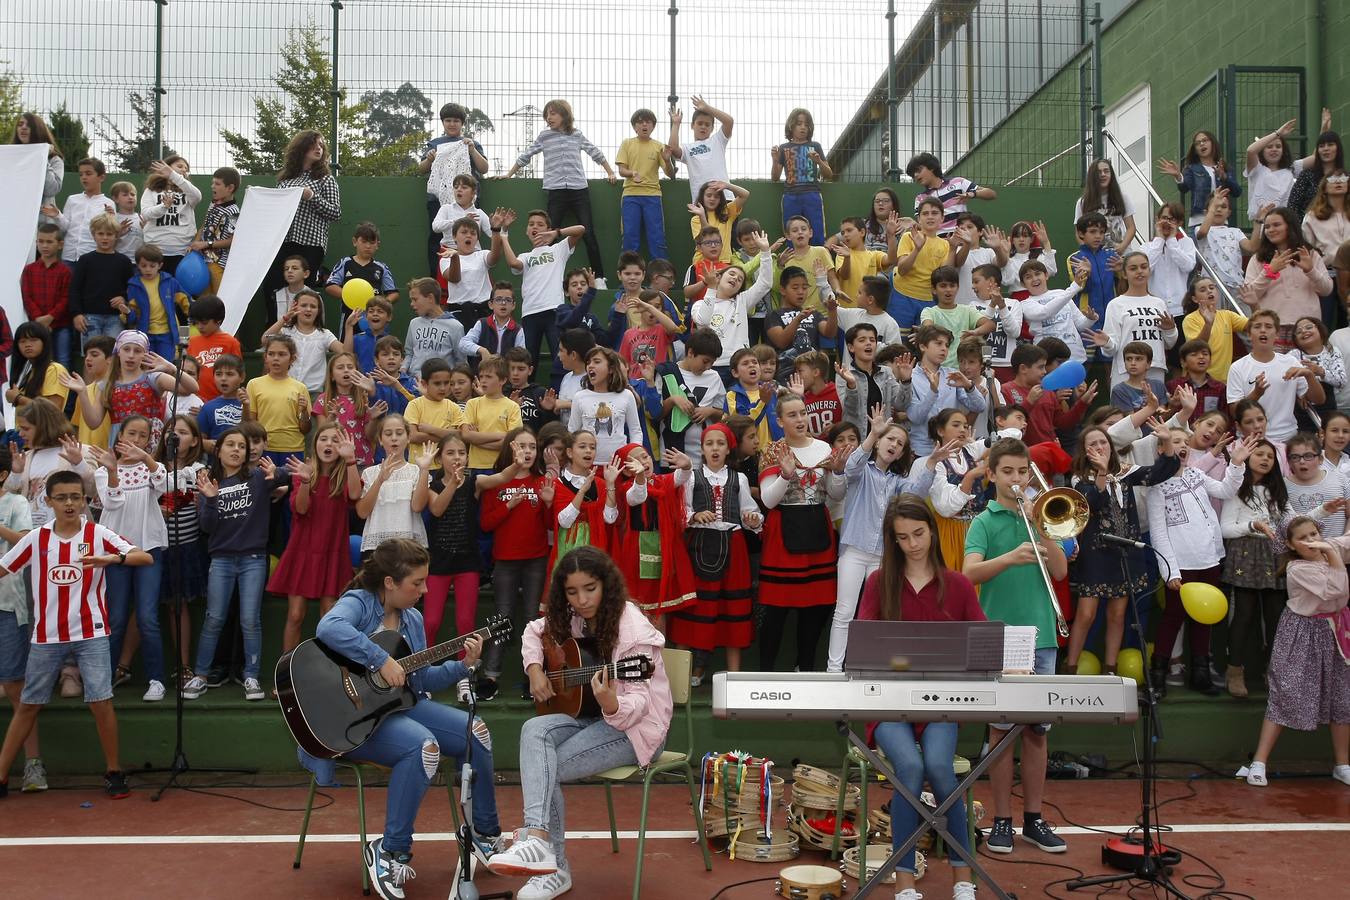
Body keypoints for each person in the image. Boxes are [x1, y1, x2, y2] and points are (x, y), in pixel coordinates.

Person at [315, 538, 504, 900]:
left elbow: (419, 680)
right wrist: (379, 659)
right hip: (354, 717)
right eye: (416, 583)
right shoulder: (359, 602)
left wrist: (463, 665)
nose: (425, 589)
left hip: (400, 707)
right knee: (423, 747)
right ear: (389, 582)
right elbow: (328, 628)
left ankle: (483, 832)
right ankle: (389, 851)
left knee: (475, 732)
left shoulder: (413, 618)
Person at [488, 546, 671, 900]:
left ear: (606, 585)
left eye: (590, 588)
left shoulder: (630, 625)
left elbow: (641, 701)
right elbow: (531, 631)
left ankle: (550, 862)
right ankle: (541, 844)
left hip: (634, 729)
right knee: (533, 729)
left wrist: (611, 701)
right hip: (590, 718)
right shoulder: (573, 616)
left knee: (547, 766)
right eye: (572, 592)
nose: (582, 599)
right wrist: (536, 669)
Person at [857, 495, 984, 900]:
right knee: (909, 768)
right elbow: (863, 645)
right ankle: (905, 883)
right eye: (902, 538)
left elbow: (982, 646)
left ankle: (963, 878)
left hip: (941, 704)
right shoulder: (879, 582)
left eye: (918, 533)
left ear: (932, 530)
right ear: (892, 542)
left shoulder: (959, 585)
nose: (912, 544)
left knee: (941, 770)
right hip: (889, 703)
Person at [0, 470, 151, 800]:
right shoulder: (37, 538)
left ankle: (113, 771)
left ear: (85, 501)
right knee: (27, 705)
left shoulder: (98, 533)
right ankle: (1, 777)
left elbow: (145, 556)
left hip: (91, 633)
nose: (69, 503)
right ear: (48, 501)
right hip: (46, 637)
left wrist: (114, 558)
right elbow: (4, 567)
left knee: (101, 702)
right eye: (62, 497)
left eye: (76, 497)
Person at [963, 438, 1069, 855]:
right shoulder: (983, 521)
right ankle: (1003, 819)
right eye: (1007, 472)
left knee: (1038, 733)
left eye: (1022, 472)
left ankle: (1034, 819)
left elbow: (1060, 570)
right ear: (991, 475)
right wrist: (1008, 558)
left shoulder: (1037, 517)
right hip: (1002, 638)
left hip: (1042, 635)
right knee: (1000, 733)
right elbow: (968, 573)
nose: (1016, 479)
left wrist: (1042, 528)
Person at [826, 408, 950, 672]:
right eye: (890, 439)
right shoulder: (862, 472)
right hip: (855, 551)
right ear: (879, 441)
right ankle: (834, 670)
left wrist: (931, 463)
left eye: (900, 443)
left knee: (879, 614)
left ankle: (870, 666)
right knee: (845, 611)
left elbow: (916, 494)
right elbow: (851, 466)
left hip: (883, 555)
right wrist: (872, 434)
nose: (894, 445)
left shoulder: (898, 482)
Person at [1245, 516, 1350, 790]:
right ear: (1291, 545)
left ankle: (1342, 765)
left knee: (1341, 696)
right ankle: (1259, 762)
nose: (1312, 541)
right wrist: (1331, 552)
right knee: (1286, 692)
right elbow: (1337, 589)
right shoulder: (1297, 568)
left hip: (1334, 632)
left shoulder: (1329, 548)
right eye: (1304, 538)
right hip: (1302, 633)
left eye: (1315, 533)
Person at [181, 430, 285, 701]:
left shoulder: (259, 478)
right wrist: (211, 499)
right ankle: (201, 676)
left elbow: (293, 476)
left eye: (242, 446)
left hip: (253, 560)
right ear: (219, 450)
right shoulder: (208, 483)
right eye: (231, 445)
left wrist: (279, 475)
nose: (237, 450)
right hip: (222, 560)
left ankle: (251, 676)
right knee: (214, 618)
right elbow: (207, 527)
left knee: (250, 620)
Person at [757, 392, 845, 671]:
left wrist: (839, 472)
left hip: (818, 527)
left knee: (816, 606)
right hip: (784, 531)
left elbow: (835, 494)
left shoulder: (824, 449)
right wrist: (785, 475)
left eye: (803, 413)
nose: (800, 419)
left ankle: (805, 665)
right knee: (777, 608)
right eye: (792, 415)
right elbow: (769, 501)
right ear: (780, 420)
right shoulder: (773, 450)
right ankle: (766, 671)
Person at [665, 426, 761, 674]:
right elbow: (680, 511)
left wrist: (752, 519)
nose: (715, 448)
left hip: (734, 546)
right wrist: (696, 515)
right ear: (702, 449)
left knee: (734, 608)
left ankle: (734, 677)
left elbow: (749, 511)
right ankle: (681, 679)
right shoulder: (693, 477)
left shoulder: (739, 478)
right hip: (700, 546)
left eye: (720, 443)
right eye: (710, 443)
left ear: (729, 448)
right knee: (696, 608)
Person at [94, 415, 169, 701]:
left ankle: (156, 680)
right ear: (120, 436)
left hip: (148, 549)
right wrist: (113, 470)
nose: (136, 441)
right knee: (115, 617)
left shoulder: (153, 467)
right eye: (131, 434)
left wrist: (147, 459)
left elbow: (163, 485)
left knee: (148, 617)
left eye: (142, 436)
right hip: (116, 553)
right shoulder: (103, 471)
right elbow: (112, 502)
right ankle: (105, 679)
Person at [269, 424, 361, 654]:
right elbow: (300, 509)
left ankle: (329, 675)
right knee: (295, 614)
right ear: (314, 444)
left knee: (329, 618)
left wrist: (350, 460)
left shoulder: (344, 474)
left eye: (334, 440)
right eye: (323, 439)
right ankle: (286, 676)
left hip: (333, 553)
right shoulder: (304, 473)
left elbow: (356, 495)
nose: (328, 444)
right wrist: (306, 481)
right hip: (303, 552)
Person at [500, 99, 616, 273]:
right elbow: (526, 155)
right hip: (556, 191)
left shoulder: (576, 135)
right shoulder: (544, 136)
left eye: (553, 113)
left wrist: (610, 172)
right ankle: (545, 273)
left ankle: (599, 278)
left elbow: (595, 152)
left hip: (579, 190)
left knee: (589, 233)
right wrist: (509, 174)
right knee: (550, 234)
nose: (548, 118)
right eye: (546, 114)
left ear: (564, 115)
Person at [476, 429, 550, 701]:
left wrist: (549, 503)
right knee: (502, 618)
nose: (528, 452)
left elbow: (550, 525)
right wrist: (509, 506)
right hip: (505, 561)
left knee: (533, 619)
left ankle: (533, 678)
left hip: (536, 559)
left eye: (532, 446)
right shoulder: (496, 484)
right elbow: (485, 525)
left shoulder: (541, 481)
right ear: (509, 450)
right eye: (522, 447)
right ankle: (491, 676)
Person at [1219, 438, 1287, 698]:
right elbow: (1225, 528)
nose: (1266, 459)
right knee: (1244, 615)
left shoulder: (1278, 492)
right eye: (1260, 453)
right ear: (1247, 457)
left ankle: (1273, 672)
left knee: (1275, 617)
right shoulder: (1238, 489)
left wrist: (1322, 512)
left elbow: (1291, 520)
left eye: (1270, 455)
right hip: (1245, 553)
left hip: (1273, 556)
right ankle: (1234, 671)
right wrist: (1252, 527)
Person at [498, 209, 586, 377]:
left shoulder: (558, 249)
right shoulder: (526, 256)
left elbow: (581, 229)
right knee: (529, 360)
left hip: (554, 310)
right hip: (530, 313)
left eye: (540, 224)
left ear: (548, 228)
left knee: (559, 357)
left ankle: (562, 395)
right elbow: (513, 262)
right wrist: (504, 233)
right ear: (526, 231)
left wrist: (556, 233)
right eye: (531, 224)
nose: (535, 227)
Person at [263, 131, 342, 305]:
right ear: (302, 147)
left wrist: (311, 197)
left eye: (321, 145)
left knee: (304, 293)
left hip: (311, 245)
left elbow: (335, 213)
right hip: (283, 242)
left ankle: (303, 330)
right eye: (314, 144)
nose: (318, 148)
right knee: (272, 286)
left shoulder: (325, 179)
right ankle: (277, 328)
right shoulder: (285, 180)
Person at [1225, 309, 1324, 443]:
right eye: (1257, 326)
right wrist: (1257, 393)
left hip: (1287, 438)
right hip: (1252, 439)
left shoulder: (1290, 362)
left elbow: (1318, 399)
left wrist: (1309, 375)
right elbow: (1235, 412)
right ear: (1249, 334)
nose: (1263, 330)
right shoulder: (1237, 367)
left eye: (1269, 326)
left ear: (1277, 334)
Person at [0, 448, 39, 791]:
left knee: (17, 688)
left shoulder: (16, 504)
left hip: (8, 606)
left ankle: (32, 764)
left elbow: (25, 543)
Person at [1244, 207, 1333, 343]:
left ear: (1290, 226)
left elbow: (1327, 290)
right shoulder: (1258, 258)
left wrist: (1311, 271)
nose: (1271, 230)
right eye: (1267, 227)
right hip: (1273, 328)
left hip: (1307, 327)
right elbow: (1249, 295)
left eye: (1276, 225)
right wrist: (1269, 272)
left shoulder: (1310, 254)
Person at [423, 102, 491, 274]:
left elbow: (484, 168)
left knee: (470, 234)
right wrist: (430, 159)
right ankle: (438, 275)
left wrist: (472, 150)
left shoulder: (471, 143)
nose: (452, 124)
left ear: (462, 123)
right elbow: (421, 168)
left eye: (456, 121)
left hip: (469, 201)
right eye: (448, 120)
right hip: (438, 199)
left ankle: (471, 271)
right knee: (437, 237)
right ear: (443, 123)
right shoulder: (434, 143)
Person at [69, 213, 136, 346]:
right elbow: (74, 289)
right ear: (93, 235)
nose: (105, 238)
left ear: (116, 236)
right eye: (100, 233)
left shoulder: (124, 261)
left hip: (116, 318)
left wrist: (123, 298)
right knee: (92, 356)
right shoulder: (85, 260)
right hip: (89, 318)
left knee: (113, 357)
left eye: (109, 234)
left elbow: (131, 289)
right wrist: (76, 314)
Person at [616, 108, 673, 261]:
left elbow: (670, 174)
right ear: (634, 126)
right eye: (640, 122)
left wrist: (667, 160)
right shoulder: (627, 144)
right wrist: (632, 173)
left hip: (653, 196)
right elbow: (621, 170)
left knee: (657, 238)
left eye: (648, 122)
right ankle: (628, 281)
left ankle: (660, 281)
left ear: (653, 126)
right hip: (630, 196)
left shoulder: (659, 146)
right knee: (629, 237)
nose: (644, 125)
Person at [263, 288, 344, 396]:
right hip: (286, 390)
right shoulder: (286, 331)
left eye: (313, 306)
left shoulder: (324, 334)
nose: (308, 309)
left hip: (313, 393)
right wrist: (284, 319)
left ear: (319, 311)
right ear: (295, 307)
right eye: (304, 305)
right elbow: (265, 339)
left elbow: (344, 351)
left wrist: (348, 327)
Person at [1159, 130, 1242, 227]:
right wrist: (1178, 176)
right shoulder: (1191, 168)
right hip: (1199, 220)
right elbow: (1184, 187)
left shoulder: (1224, 168)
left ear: (1212, 143)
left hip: (1221, 221)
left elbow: (1237, 192)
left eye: (1205, 140)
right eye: (1197, 143)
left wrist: (1224, 177)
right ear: (1195, 149)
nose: (1202, 144)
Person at [771, 108, 831, 242]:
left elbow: (829, 173)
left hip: (812, 194)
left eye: (806, 124)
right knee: (792, 231)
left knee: (816, 231)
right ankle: (793, 260)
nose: (803, 127)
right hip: (790, 195)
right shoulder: (784, 148)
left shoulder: (815, 146)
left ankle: (819, 258)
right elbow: (775, 177)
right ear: (791, 126)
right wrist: (775, 160)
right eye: (799, 124)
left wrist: (819, 162)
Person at [906, 151, 996, 236]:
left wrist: (972, 194)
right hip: (938, 245)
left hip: (961, 240)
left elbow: (991, 194)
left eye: (918, 170)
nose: (916, 175)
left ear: (931, 167)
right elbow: (923, 227)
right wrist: (913, 224)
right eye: (913, 174)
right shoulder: (920, 198)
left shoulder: (958, 182)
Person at [125, 243, 190, 359]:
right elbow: (132, 315)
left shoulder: (170, 281)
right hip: (144, 334)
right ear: (138, 266)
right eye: (144, 266)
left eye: (152, 265)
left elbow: (184, 300)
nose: (148, 269)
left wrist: (193, 312)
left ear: (160, 265)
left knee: (166, 366)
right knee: (147, 367)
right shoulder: (134, 285)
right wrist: (126, 312)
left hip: (167, 334)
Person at [21, 224, 72, 369]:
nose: (44, 245)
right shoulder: (29, 270)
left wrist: (50, 318)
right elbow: (27, 296)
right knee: (38, 361)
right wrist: (39, 319)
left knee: (63, 361)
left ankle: (64, 392)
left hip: (61, 325)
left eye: (49, 242)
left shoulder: (65, 271)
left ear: (60, 244)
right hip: (36, 325)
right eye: (41, 241)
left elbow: (66, 298)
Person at [667, 96, 735, 205]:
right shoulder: (687, 148)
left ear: (712, 128)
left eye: (707, 124)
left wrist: (707, 108)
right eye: (699, 123)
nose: (703, 127)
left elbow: (729, 121)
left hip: (724, 197)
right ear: (692, 125)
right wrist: (676, 124)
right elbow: (673, 149)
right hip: (701, 201)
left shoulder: (718, 140)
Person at [140, 156, 200, 273]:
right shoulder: (151, 190)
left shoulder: (188, 192)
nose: (183, 170)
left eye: (186, 169)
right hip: (155, 251)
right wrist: (164, 207)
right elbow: (146, 214)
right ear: (166, 167)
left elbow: (198, 196)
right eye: (179, 166)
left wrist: (173, 175)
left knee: (177, 290)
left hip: (181, 251)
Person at [46, 157, 111, 265]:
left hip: (93, 258)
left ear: (101, 177)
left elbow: (108, 233)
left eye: (88, 173)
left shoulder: (108, 203)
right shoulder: (72, 200)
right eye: (81, 174)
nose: (84, 177)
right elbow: (65, 228)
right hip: (69, 257)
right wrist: (58, 215)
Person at [190, 166, 240, 294]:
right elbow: (204, 226)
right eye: (213, 183)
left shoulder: (234, 212)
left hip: (218, 265)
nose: (213, 186)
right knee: (205, 301)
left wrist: (206, 244)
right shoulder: (213, 203)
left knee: (219, 302)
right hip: (202, 262)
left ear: (230, 188)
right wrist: (194, 245)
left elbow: (231, 240)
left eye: (217, 184)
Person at [186, 294, 242, 403]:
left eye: (204, 323)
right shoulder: (192, 342)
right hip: (195, 401)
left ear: (218, 320)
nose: (199, 327)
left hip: (221, 402)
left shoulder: (230, 342)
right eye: (196, 323)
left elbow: (237, 375)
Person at [1074, 158, 1136, 252]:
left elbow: (1131, 228)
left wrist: (1122, 246)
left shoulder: (1123, 198)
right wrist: (1088, 252)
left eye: (1106, 171)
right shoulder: (1083, 202)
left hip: (1121, 254)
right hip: (1097, 255)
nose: (1103, 174)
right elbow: (1078, 232)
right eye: (1099, 172)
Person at [13, 112, 65, 223]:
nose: (23, 127)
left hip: (41, 224)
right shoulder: (11, 157)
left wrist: (42, 157)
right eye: (20, 124)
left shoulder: (54, 160)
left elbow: (51, 190)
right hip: (14, 219)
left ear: (38, 130)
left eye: (29, 125)